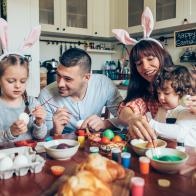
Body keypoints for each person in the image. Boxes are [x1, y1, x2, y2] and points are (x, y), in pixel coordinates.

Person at [112, 7, 196, 142]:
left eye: (150, 59)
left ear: (162, 57)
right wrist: (132, 118)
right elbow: (127, 108)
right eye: (138, 63)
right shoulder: (147, 93)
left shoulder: (186, 81)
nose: (145, 67)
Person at [38, 48, 123, 135]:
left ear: (86, 78)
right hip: (65, 145)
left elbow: (125, 119)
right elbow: (42, 138)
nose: (60, 84)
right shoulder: (46, 95)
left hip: (94, 144)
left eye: (68, 79)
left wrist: (105, 123)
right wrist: (55, 131)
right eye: (58, 75)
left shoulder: (103, 84)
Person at [0, 54, 47, 142]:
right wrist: (11, 133)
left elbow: (40, 136)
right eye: (11, 81)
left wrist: (39, 122)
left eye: (23, 81)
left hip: (30, 153)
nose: (18, 86)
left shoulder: (32, 102)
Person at [148, 65, 196, 147]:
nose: (161, 97)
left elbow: (178, 133)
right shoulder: (162, 109)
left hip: (190, 153)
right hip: (170, 150)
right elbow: (156, 131)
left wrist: (151, 123)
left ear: (182, 93)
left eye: (166, 93)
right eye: (158, 93)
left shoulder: (188, 110)